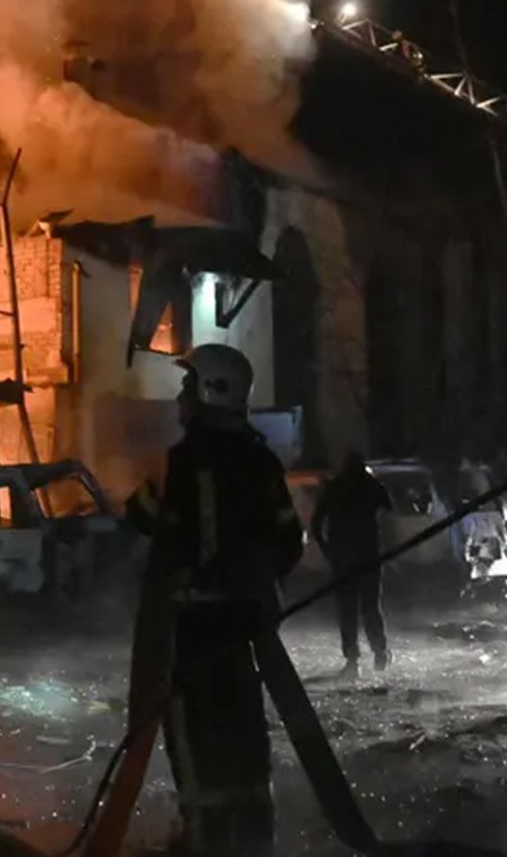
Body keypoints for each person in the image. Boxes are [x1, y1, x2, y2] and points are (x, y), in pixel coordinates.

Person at [123, 343, 303, 856]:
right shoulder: (262, 462)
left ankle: (204, 846)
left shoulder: (181, 463)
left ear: (209, 391)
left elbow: (144, 517)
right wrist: (252, 584)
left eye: (187, 385)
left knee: (198, 759)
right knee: (245, 752)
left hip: (191, 638)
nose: (180, 396)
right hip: (243, 635)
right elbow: (290, 542)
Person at [311, 450, 392, 679]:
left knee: (349, 609)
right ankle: (379, 653)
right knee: (369, 607)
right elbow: (389, 508)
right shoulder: (371, 486)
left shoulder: (335, 487)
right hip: (367, 555)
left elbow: (317, 524)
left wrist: (327, 549)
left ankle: (354, 659)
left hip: (344, 557)